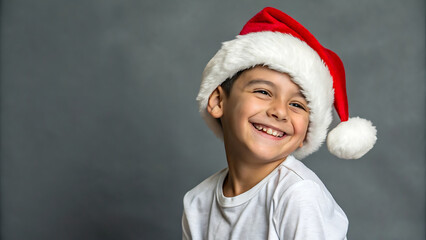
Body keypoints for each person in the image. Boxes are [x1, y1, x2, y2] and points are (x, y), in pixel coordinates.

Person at [182, 7, 377, 240]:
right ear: (217, 101)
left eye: (297, 105)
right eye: (263, 91)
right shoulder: (197, 202)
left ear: (307, 131)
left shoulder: (298, 195)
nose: (279, 112)